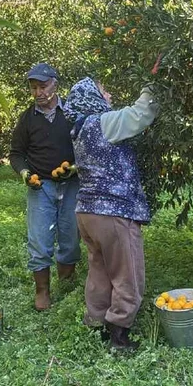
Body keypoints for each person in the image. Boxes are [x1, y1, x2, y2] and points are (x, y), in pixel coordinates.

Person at [62, 74, 159, 352]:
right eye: (104, 91)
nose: (110, 96)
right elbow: (140, 114)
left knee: (100, 271)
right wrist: (153, 83)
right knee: (128, 273)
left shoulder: (79, 129)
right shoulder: (102, 124)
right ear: (91, 97)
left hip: (87, 212)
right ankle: (119, 334)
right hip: (112, 211)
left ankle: (96, 323)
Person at [9, 63, 80, 312]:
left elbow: (87, 146)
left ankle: (67, 283)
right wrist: (25, 173)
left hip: (71, 184)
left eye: (43, 86)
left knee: (71, 237)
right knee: (39, 239)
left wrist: (75, 167)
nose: (38, 93)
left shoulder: (71, 114)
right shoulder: (28, 119)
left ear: (55, 85)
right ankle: (42, 291)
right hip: (41, 186)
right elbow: (16, 154)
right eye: (34, 88)